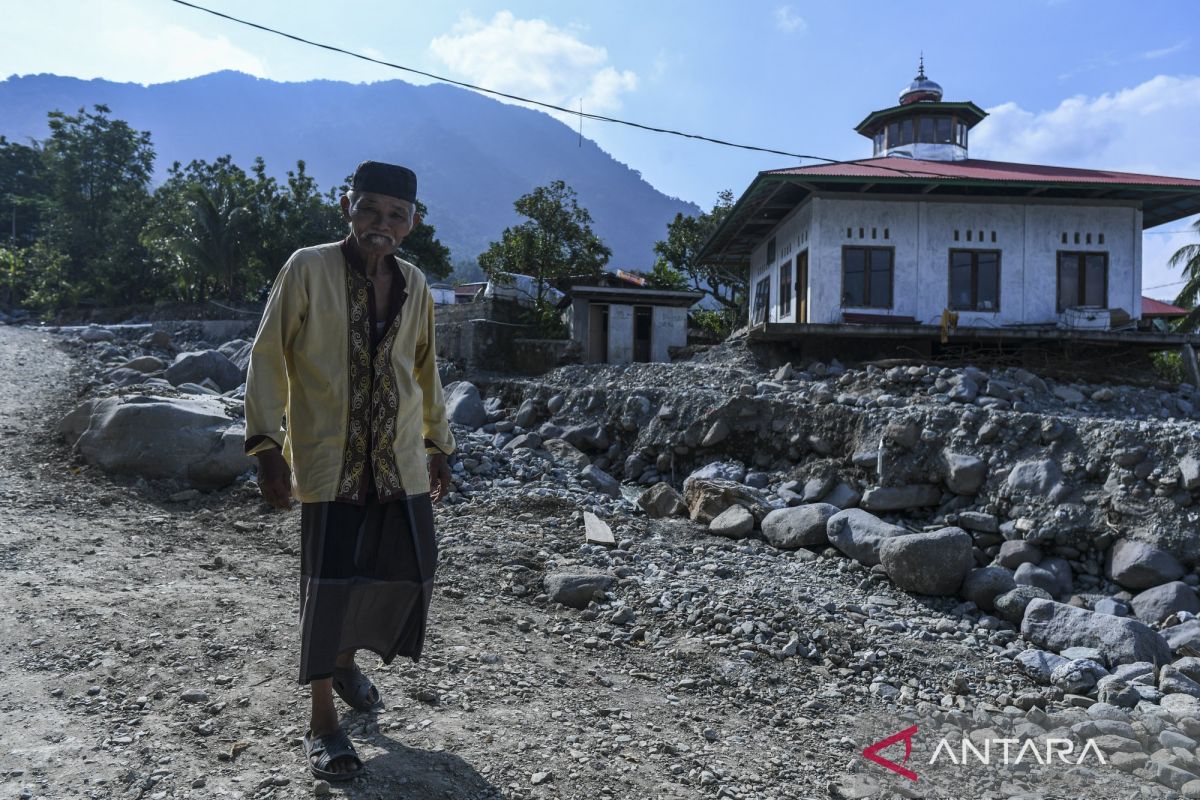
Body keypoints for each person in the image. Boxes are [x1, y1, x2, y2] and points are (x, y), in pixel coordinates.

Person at [244, 160, 455, 781]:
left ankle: (342, 659)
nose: (379, 224)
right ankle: (321, 723)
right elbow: (267, 353)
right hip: (327, 457)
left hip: (398, 461)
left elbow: (425, 367)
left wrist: (439, 441)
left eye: (395, 215)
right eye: (369, 209)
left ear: (411, 223)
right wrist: (265, 446)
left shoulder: (414, 283)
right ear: (348, 208)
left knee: (403, 571)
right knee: (329, 581)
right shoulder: (308, 267)